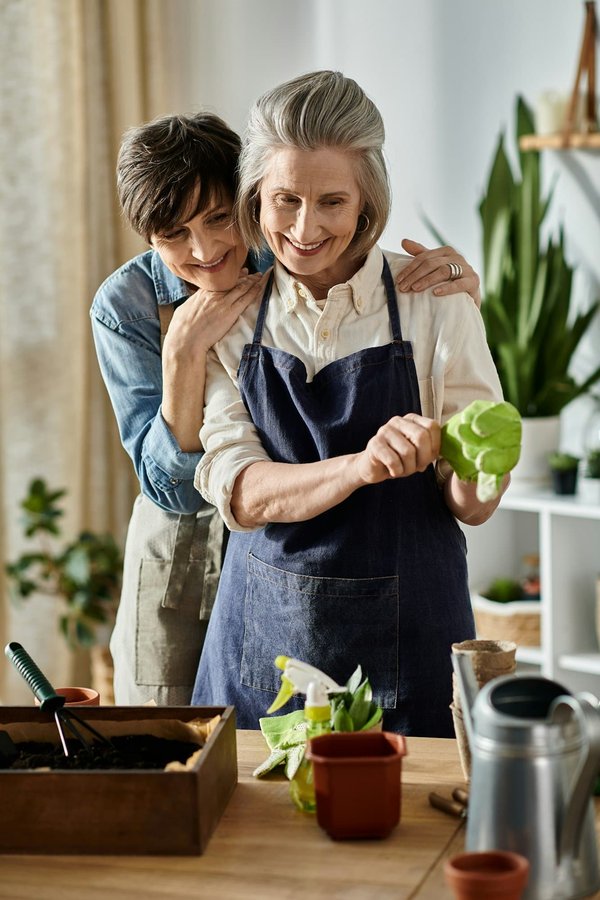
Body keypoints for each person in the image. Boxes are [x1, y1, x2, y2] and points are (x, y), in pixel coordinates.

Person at [91, 110, 482, 707]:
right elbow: (172, 491)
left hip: (296, 547)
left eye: (218, 218)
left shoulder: (290, 251)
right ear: (148, 238)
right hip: (182, 550)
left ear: (248, 198)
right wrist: (183, 354)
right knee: (167, 732)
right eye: (174, 235)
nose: (205, 250)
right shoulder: (127, 304)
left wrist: (461, 299)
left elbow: (356, 257)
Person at [191, 72, 508, 736]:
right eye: (285, 200)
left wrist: (486, 466)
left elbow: (471, 505)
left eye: (332, 201)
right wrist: (361, 466)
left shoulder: (434, 302)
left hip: (414, 639)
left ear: (367, 202)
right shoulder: (230, 318)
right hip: (261, 644)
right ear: (256, 196)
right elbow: (240, 492)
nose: (305, 228)